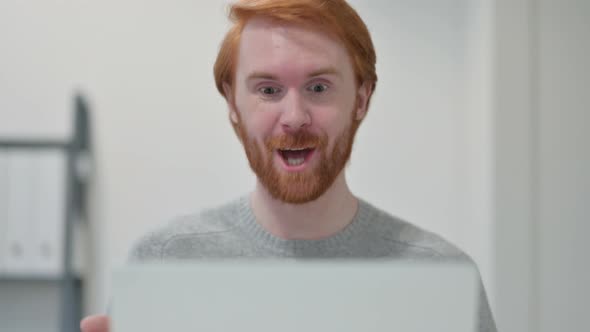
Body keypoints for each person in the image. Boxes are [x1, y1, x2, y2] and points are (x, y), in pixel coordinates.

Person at [81, 1, 497, 331]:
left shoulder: (439, 280)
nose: (294, 116)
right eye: (269, 89)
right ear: (232, 103)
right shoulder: (164, 263)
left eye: (318, 87)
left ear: (362, 99)